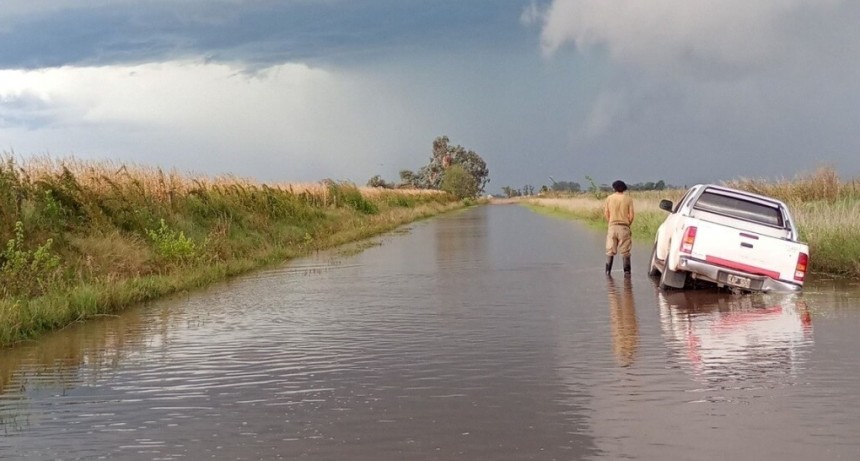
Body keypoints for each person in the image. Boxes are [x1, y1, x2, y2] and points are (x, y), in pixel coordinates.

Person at [604, 180, 634, 276]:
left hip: (612, 227)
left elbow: (606, 213)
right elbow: (631, 215)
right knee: (625, 251)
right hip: (624, 227)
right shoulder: (628, 199)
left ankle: (608, 272)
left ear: (614, 188)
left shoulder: (609, 198)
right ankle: (627, 273)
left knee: (610, 251)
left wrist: (610, 223)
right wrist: (628, 225)